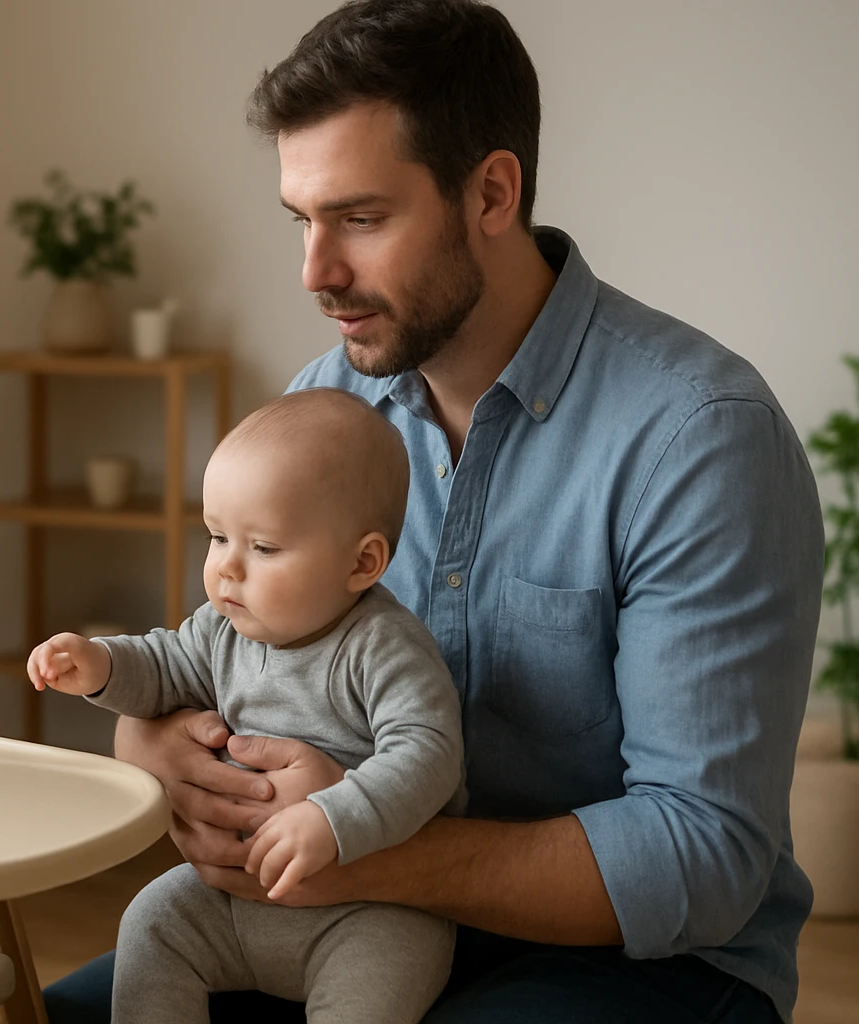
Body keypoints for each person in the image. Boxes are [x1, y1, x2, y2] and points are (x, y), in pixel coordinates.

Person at [42, 1, 822, 1022]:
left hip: (645, 961)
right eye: (301, 220)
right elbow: (223, 656)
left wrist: (357, 844)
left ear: (492, 192)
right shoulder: (327, 405)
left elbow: (700, 856)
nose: (316, 273)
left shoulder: (699, 440)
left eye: (361, 219)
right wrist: (158, 750)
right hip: (333, 912)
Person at [31, 388, 465, 1022]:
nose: (227, 569)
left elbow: (429, 753)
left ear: (362, 562)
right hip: (235, 901)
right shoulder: (223, 629)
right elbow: (165, 667)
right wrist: (101, 665)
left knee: (374, 987)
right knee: (151, 922)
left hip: (370, 913)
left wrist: (333, 818)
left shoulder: (383, 647)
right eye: (217, 537)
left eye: (263, 547)